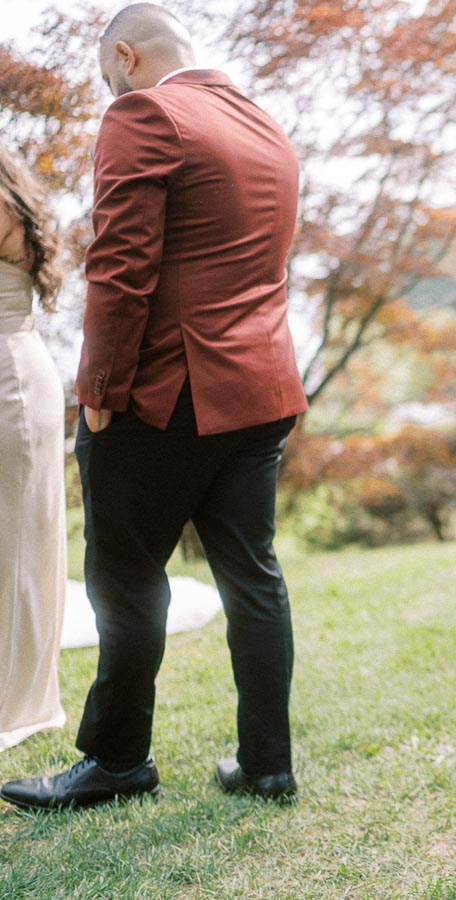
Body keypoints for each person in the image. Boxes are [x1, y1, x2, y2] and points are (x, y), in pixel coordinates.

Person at [1, 3, 308, 810]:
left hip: (164, 395)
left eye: (107, 77)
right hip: (262, 389)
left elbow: (121, 267)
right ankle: (267, 764)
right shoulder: (265, 125)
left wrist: (97, 391)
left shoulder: (145, 112)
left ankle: (116, 761)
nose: (110, 92)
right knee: (254, 575)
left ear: (127, 57)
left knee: (127, 580)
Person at [0, 145, 67, 752]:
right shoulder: (15, 199)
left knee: (18, 545)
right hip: (22, 370)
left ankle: (14, 700)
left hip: (8, 382)